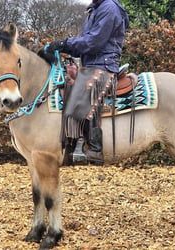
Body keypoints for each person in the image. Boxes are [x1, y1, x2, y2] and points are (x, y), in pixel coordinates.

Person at [39, 0, 129, 165]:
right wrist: (62, 47)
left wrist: (64, 44)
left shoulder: (109, 7)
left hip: (103, 65)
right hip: (90, 63)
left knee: (82, 95)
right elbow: (85, 43)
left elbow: (93, 43)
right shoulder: (94, 9)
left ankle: (93, 148)